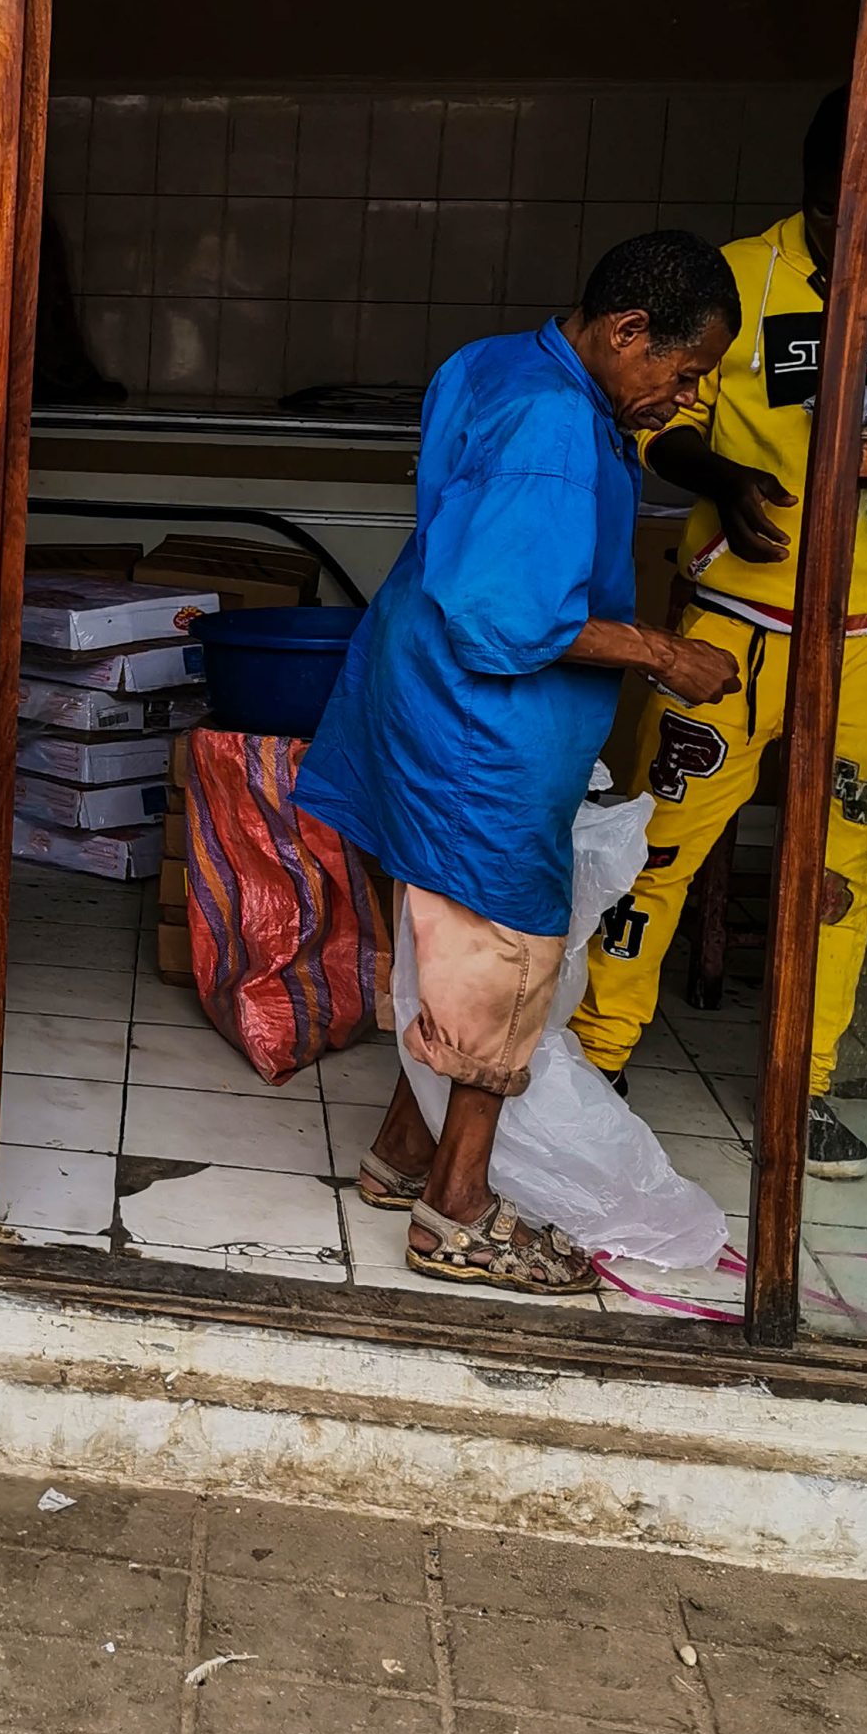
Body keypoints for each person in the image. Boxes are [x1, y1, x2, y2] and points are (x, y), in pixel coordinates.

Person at [296, 235, 742, 1291]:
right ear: (627, 330)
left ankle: (401, 1152)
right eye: (684, 372)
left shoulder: (496, 362)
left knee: (445, 935)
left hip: (413, 684)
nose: (687, 398)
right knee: (504, 955)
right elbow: (504, 621)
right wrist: (664, 655)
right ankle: (457, 1213)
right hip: (478, 726)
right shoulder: (552, 423)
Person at [574, 91, 867, 1177]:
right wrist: (717, 474)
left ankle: (802, 1086)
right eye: (839, 209)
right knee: (653, 845)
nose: (859, 235)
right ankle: (597, 1052)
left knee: (841, 869)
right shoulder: (739, 280)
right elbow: (658, 422)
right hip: (736, 622)